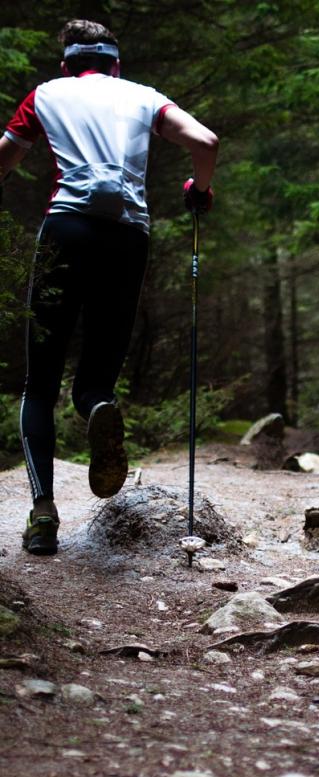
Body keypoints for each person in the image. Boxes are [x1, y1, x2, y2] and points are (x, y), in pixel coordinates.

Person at [0, 19, 218, 556]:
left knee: (41, 383)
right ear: (116, 64)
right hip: (127, 237)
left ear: (65, 65)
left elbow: (4, 156)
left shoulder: (46, 95)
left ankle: (43, 513)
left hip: (66, 230)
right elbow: (205, 140)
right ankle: (97, 405)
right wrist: (199, 188)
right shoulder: (143, 96)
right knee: (95, 378)